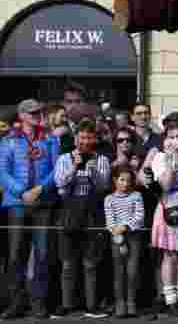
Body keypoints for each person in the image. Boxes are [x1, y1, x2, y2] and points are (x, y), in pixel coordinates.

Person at [0, 99, 61, 320]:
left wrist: (39, 189)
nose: (38, 115)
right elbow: (3, 171)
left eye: (40, 112)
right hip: (16, 204)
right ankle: (15, 303)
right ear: (22, 115)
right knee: (15, 255)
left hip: (43, 202)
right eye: (33, 112)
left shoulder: (51, 139)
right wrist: (21, 191)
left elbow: (57, 170)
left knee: (43, 254)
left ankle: (39, 304)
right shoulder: (9, 140)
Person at [55, 119, 112, 318]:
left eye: (89, 137)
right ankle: (66, 305)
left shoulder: (102, 159)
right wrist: (75, 166)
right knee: (68, 263)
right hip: (69, 211)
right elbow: (59, 183)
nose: (85, 141)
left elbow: (104, 186)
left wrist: (94, 169)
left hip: (92, 213)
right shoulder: (64, 158)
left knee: (90, 263)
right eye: (82, 138)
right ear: (76, 138)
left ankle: (91, 306)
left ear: (95, 139)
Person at [150, 125, 178, 316]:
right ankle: (170, 299)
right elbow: (166, 185)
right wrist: (171, 162)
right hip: (169, 206)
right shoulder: (160, 157)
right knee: (170, 255)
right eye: (171, 137)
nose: (175, 140)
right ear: (164, 139)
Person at [105, 165, 145, 318]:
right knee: (118, 272)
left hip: (133, 236)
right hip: (117, 238)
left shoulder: (136, 196)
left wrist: (126, 226)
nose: (125, 184)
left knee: (132, 271)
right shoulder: (109, 199)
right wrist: (116, 231)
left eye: (128, 180)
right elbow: (109, 220)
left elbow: (139, 216)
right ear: (115, 180)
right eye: (122, 180)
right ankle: (119, 303)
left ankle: (131, 303)